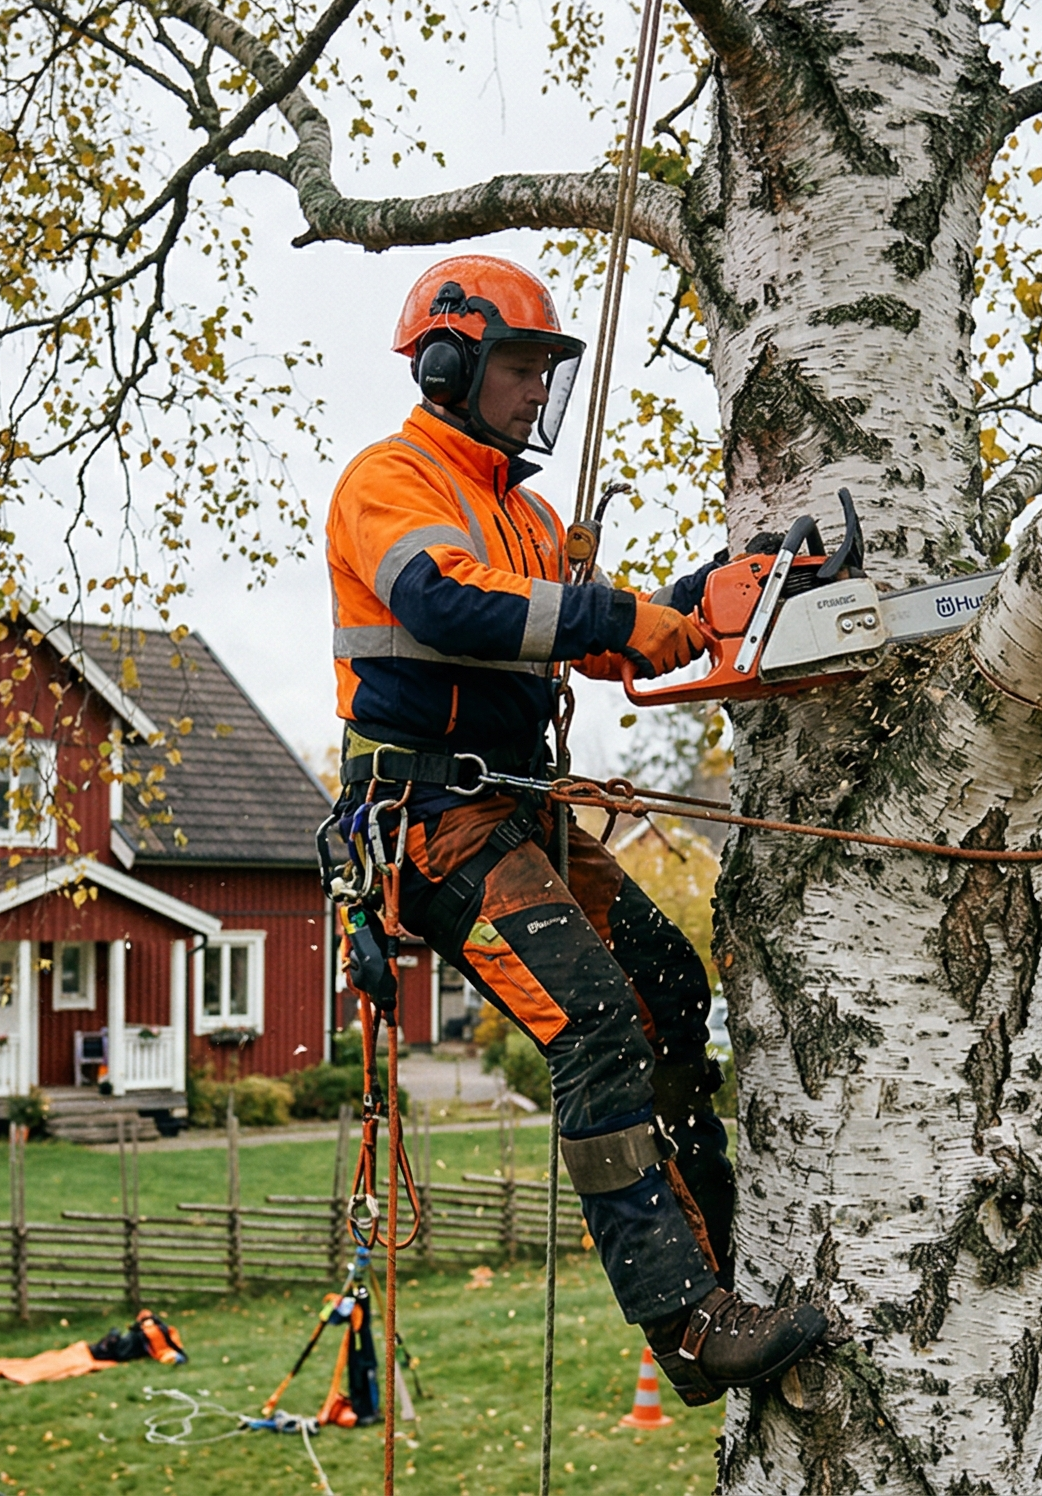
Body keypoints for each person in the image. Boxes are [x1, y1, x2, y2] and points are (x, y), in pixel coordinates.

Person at [324, 254, 830, 1404]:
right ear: (446, 364)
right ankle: (683, 1326)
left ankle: (727, 1257)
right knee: (592, 1019)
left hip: (514, 805)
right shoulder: (389, 482)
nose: (532, 390)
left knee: (663, 985)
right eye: (516, 366)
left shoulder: (530, 515)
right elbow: (441, 601)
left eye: (544, 369)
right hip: (431, 820)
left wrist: (701, 604)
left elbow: (594, 640)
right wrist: (612, 612)